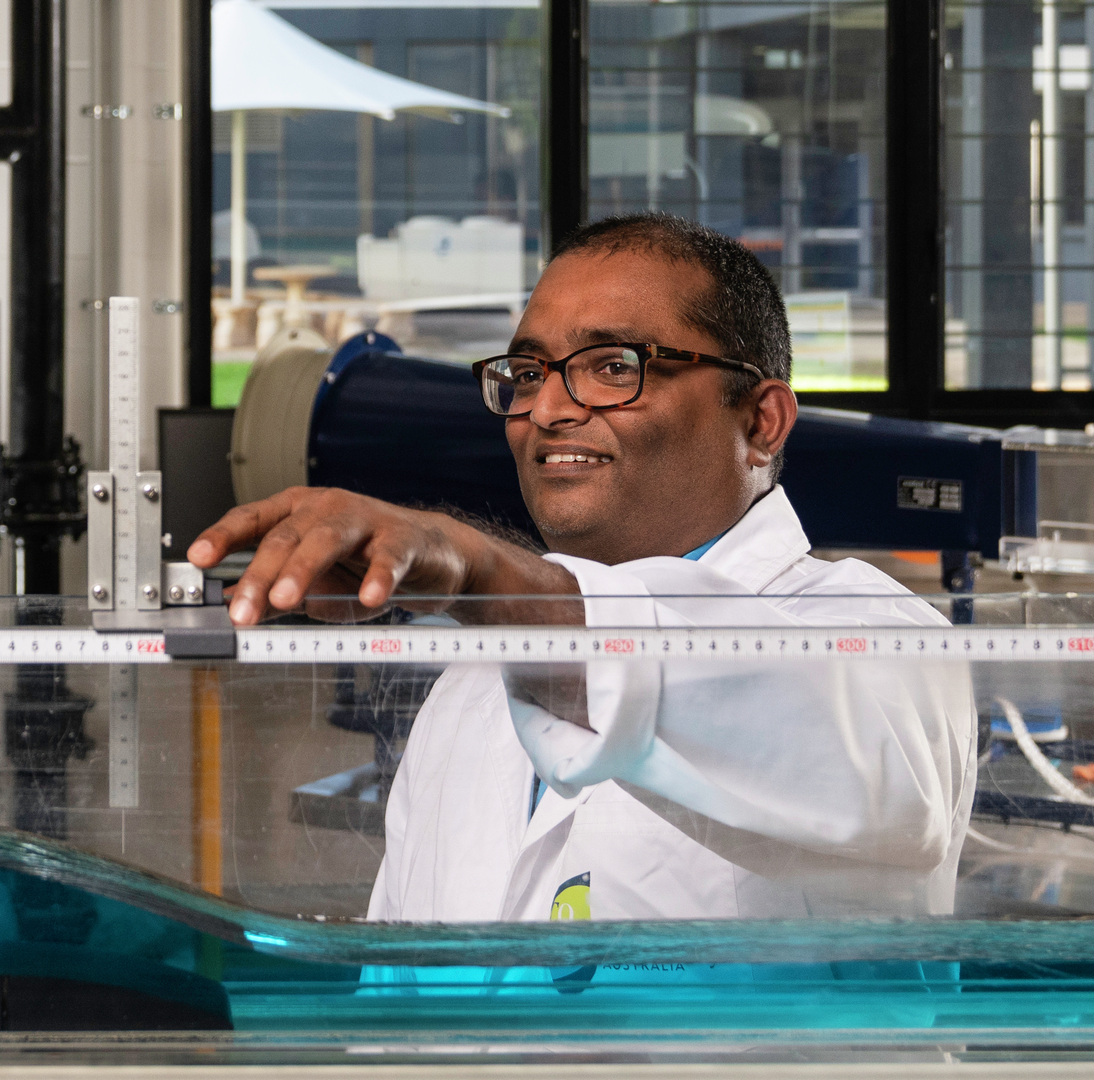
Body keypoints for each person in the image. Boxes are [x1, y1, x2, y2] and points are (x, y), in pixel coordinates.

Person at [189, 214, 977, 967]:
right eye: (528, 373)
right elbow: (399, 985)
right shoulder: (474, 684)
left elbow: (862, 776)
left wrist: (479, 571)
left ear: (761, 422)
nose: (547, 409)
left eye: (613, 367)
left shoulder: (872, 629)